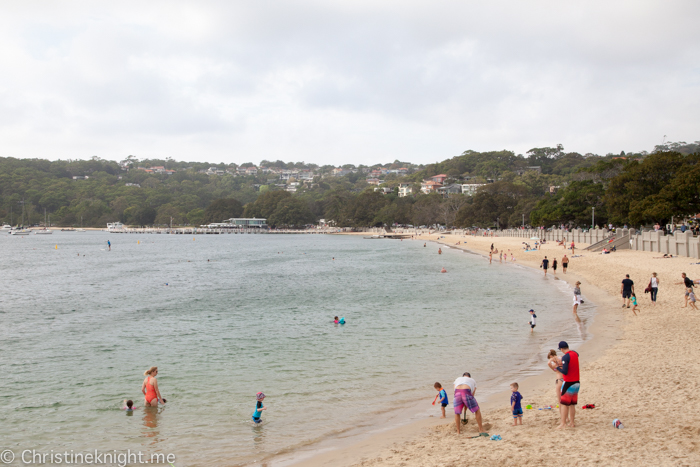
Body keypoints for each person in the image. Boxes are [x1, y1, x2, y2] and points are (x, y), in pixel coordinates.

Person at [555, 341, 579, 429]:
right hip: (576, 381)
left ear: (561, 349)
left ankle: (563, 423)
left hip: (569, 382)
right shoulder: (575, 354)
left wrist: (557, 368)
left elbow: (565, 371)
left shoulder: (565, 357)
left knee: (564, 403)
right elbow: (576, 354)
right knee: (572, 404)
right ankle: (572, 422)